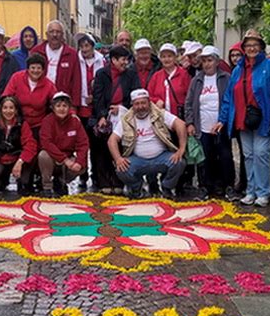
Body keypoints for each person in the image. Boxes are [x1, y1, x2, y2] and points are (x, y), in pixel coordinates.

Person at [213, 29, 270, 207]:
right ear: (244, 48)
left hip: (264, 117)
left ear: (261, 47)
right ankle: (251, 190)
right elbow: (229, 98)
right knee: (247, 155)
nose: (251, 48)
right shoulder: (238, 70)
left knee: (261, 154)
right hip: (243, 119)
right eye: (248, 45)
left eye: (255, 45)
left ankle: (263, 191)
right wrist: (222, 119)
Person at [108, 89, 187, 199]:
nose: (140, 107)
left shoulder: (159, 113)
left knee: (179, 162)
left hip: (161, 157)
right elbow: (112, 140)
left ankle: (166, 187)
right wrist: (118, 159)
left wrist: (181, 149)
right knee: (120, 168)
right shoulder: (126, 119)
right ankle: (137, 188)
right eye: (137, 104)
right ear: (132, 105)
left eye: (143, 103)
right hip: (138, 159)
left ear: (149, 102)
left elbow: (181, 124)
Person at [185, 46, 238, 201]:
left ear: (217, 61)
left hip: (221, 126)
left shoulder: (226, 78)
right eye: (204, 61)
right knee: (204, 159)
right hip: (203, 127)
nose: (207, 64)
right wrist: (190, 123)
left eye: (210, 60)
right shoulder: (196, 80)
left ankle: (228, 186)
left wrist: (224, 121)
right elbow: (189, 103)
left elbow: (231, 102)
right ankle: (204, 188)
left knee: (225, 156)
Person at [92, 45, 141, 194]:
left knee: (120, 148)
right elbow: (97, 96)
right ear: (113, 60)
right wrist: (101, 115)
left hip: (123, 116)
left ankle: (117, 180)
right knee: (102, 150)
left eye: (127, 59)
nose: (125, 63)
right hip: (105, 117)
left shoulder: (132, 74)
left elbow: (135, 95)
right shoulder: (101, 74)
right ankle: (103, 181)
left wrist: (122, 108)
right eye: (122, 60)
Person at [0, 96, 38, 195]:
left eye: (11, 108)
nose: (8, 111)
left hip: (17, 160)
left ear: (16, 110)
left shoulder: (22, 124)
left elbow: (30, 145)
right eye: (5, 108)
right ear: (0, 110)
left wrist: (20, 161)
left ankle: (22, 182)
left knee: (25, 184)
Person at [38, 92, 89, 197]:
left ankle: (61, 181)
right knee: (43, 155)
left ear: (69, 107)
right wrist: (64, 159)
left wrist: (79, 162)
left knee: (82, 165)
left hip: (68, 158)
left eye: (65, 106)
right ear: (53, 108)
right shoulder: (47, 121)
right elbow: (46, 143)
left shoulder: (75, 122)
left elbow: (83, 143)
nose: (62, 109)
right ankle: (46, 186)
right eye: (58, 106)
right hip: (52, 158)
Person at [75, 32, 105, 190]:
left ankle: (95, 175)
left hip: (96, 108)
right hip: (81, 109)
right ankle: (82, 175)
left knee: (96, 145)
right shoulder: (76, 60)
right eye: (82, 46)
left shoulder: (102, 61)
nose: (84, 49)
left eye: (87, 46)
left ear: (93, 46)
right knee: (82, 144)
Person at [2, 53, 57, 140]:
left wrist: (71, 113)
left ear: (43, 70)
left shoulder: (49, 85)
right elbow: (6, 97)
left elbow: (58, 101)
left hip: (38, 125)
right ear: (27, 68)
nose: (36, 71)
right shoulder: (16, 78)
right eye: (33, 68)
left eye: (39, 68)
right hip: (17, 123)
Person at [31, 20, 81, 107]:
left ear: (62, 35)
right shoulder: (36, 52)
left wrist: (75, 105)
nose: (54, 35)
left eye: (58, 32)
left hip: (63, 102)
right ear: (46, 34)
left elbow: (76, 81)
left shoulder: (72, 54)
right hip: (40, 100)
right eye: (51, 32)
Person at [148, 43, 191, 119]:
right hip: (161, 118)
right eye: (163, 57)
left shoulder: (184, 74)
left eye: (169, 56)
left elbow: (190, 96)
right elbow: (148, 96)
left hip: (180, 117)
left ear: (175, 57)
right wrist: (156, 100)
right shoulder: (156, 76)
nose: (166, 59)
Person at [227, 41, 247, 193]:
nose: (235, 58)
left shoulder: (246, 71)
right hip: (233, 118)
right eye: (232, 55)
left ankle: (245, 183)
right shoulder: (233, 72)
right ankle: (238, 181)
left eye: (238, 54)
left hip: (246, 118)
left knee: (245, 153)